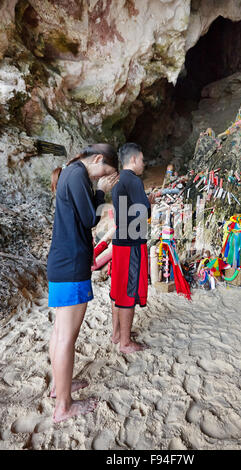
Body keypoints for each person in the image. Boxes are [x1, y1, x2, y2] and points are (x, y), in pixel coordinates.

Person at [47, 143, 119, 423]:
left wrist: (99, 185)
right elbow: (91, 218)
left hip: (62, 260)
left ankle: (58, 386)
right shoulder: (77, 173)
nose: (104, 175)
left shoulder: (69, 171)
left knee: (59, 332)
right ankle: (63, 406)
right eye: (106, 171)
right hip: (71, 263)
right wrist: (101, 188)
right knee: (67, 337)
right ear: (98, 159)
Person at [110, 143, 156, 354]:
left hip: (120, 241)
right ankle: (125, 343)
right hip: (131, 243)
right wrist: (150, 202)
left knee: (118, 289)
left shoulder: (119, 181)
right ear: (135, 159)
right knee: (128, 291)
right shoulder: (134, 181)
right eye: (143, 159)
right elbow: (142, 212)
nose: (144, 164)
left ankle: (117, 333)